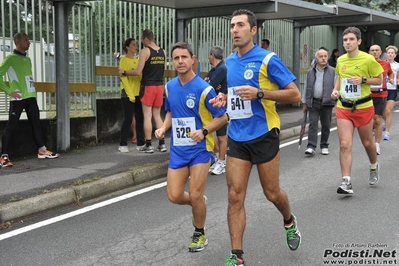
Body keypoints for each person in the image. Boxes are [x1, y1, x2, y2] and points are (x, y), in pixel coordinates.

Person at [213, 9, 302, 265]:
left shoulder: (267, 59)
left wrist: (260, 93)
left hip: (264, 134)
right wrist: (224, 99)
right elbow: (234, 97)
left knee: (272, 193)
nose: (235, 30)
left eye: (240, 25)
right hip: (238, 137)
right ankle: (237, 256)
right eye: (232, 26)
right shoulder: (228, 62)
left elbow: (295, 95)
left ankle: (289, 220)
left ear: (253, 30)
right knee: (234, 195)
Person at [154, 42, 228, 252]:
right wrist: (162, 128)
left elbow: (222, 118)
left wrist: (204, 131)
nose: (180, 61)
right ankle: (199, 202)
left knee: (194, 194)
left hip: (200, 150)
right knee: (175, 196)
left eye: (184, 57)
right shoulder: (169, 87)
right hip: (178, 150)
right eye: (176, 58)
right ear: (172, 61)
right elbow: (170, 112)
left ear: (192, 59)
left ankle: (199, 233)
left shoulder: (205, 89)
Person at [331, 27, 383, 195]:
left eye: (351, 39)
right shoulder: (341, 60)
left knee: (367, 143)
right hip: (344, 107)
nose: (348, 42)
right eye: (345, 40)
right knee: (345, 144)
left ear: (359, 41)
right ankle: (346, 181)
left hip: (363, 107)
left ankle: (374, 166)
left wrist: (363, 80)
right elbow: (340, 77)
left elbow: (379, 79)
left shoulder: (368, 59)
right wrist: (335, 90)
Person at [0, 32, 59, 167]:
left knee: (36, 124)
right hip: (18, 98)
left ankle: (42, 150)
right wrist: (10, 91)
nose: (29, 42)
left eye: (29, 40)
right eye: (26, 40)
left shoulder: (28, 59)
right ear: (17, 42)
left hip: (31, 97)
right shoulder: (10, 58)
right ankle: (3, 156)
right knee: (11, 127)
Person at [119, 29, 166, 154]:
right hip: (160, 85)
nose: (140, 42)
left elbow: (137, 72)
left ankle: (149, 144)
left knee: (147, 115)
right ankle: (162, 144)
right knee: (157, 115)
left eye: (141, 39)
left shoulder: (145, 51)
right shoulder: (163, 52)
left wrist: (124, 72)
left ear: (145, 38)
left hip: (148, 86)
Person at [302, 48, 336, 156]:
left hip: (327, 102)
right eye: (321, 56)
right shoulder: (310, 72)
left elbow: (337, 86)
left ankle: (324, 145)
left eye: (325, 56)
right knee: (313, 124)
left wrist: (336, 95)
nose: (323, 58)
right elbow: (306, 87)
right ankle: (311, 146)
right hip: (313, 102)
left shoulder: (333, 71)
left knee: (326, 125)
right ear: (316, 58)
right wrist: (304, 102)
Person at [204, 46, 228, 175]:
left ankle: (222, 161)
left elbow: (209, 86)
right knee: (207, 131)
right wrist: (211, 84)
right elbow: (206, 83)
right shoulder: (214, 70)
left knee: (221, 136)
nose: (209, 57)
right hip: (212, 106)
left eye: (209, 55)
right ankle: (218, 155)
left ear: (212, 55)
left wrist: (212, 84)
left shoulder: (222, 69)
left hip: (221, 106)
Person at [118, 38, 144, 153]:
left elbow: (140, 76)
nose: (136, 46)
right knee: (128, 119)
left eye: (136, 44)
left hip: (138, 93)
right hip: (127, 94)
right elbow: (124, 79)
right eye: (133, 45)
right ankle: (122, 144)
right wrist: (130, 95)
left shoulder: (138, 60)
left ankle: (141, 143)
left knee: (140, 118)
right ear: (127, 47)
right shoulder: (124, 61)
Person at [368, 44, 393, 155]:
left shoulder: (386, 64)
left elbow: (390, 74)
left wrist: (391, 79)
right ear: (369, 52)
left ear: (380, 52)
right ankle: (372, 130)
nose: (374, 52)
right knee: (370, 121)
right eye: (372, 50)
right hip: (367, 95)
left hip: (380, 94)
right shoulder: (365, 63)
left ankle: (377, 145)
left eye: (376, 50)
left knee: (378, 119)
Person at [382, 45, 399, 141]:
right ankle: (386, 122)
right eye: (389, 53)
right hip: (383, 89)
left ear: (395, 55)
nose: (390, 54)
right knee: (382, 111)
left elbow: (398, 77)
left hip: (392, 89)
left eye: (392, 53)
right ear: (386, 54)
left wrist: (397, 81)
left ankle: (387, 132)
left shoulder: (397, 65)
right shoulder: (382, 64)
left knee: (388, 111)